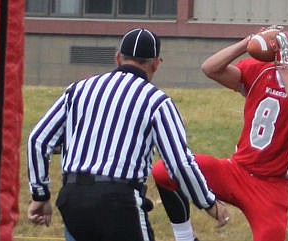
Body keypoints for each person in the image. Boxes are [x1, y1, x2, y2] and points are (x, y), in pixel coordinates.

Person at [26, 28, 229, 241]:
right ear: (156, 63)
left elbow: (38, 140)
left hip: (73, 198)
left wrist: (40, 194)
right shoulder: (156, 101)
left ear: (118, 57)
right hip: (119, 200)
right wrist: (208, 203)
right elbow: (179, 163)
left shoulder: (78, 90)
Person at [152, 26, 288, 241]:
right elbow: (210, 68)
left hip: (271, 186)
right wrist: (247, 43)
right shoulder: (260, 71)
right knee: (162, 171)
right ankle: (185, 237)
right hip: (236, 171)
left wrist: (284, 70)